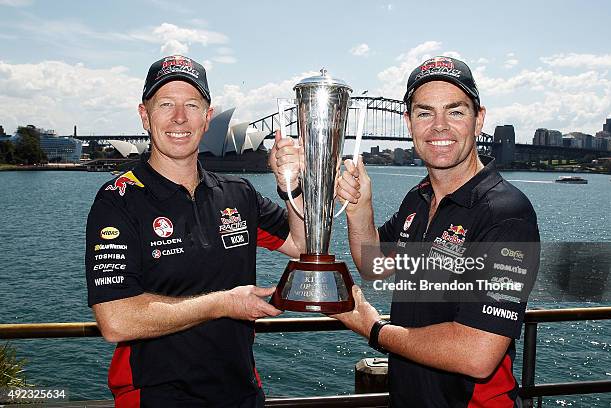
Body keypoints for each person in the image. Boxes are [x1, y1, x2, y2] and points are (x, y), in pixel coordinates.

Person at [85, 55, 304, 407]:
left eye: (192, 105)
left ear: (207, 118)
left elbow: (302, 244)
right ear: (144, 115)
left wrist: (289, 183)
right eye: (165, 104)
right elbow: (116, 319)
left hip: (241, 392)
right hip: (155, 396)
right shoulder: (118, 200)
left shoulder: (239, 194)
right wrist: (221, 304)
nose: (179, 118)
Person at [332, 56, 540, 407]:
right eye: (425, 112)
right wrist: (359, 209)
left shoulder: (506, 214)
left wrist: (373, 328)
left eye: (456, 112)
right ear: (409, 123)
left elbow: (477, 353)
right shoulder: (418, 198)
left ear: (479, 121)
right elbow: (375, 266)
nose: (439, 126)